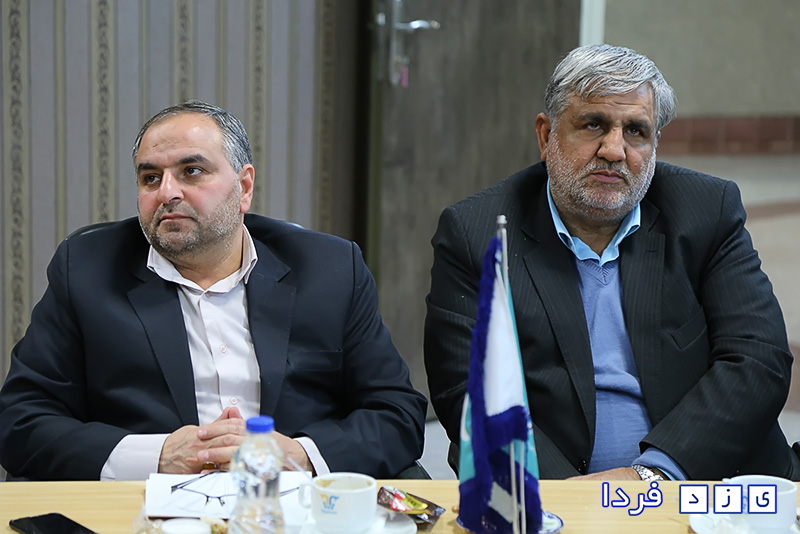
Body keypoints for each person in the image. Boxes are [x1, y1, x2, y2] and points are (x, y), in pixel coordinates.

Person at [424, 44, 800, 481]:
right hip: (554, 487)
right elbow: (468, 391)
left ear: (655, 145)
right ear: (546, 136)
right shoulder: (477, 232)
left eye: (636, 131)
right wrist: (574, 500)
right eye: (593, 125)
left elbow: (758, 358)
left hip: (705, 478)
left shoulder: (706, 210)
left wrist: (654, 473)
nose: (614, 150)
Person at [0, 100, 427, 480]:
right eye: (150, 177)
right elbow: (20, 419)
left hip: (292, 505)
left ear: (244, 187)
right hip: (145, 507)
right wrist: (158, 455)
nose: (167, 192)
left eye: (192, 171)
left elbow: (395, 412)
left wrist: (297, 455)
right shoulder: (87, 270)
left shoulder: (329, 269)